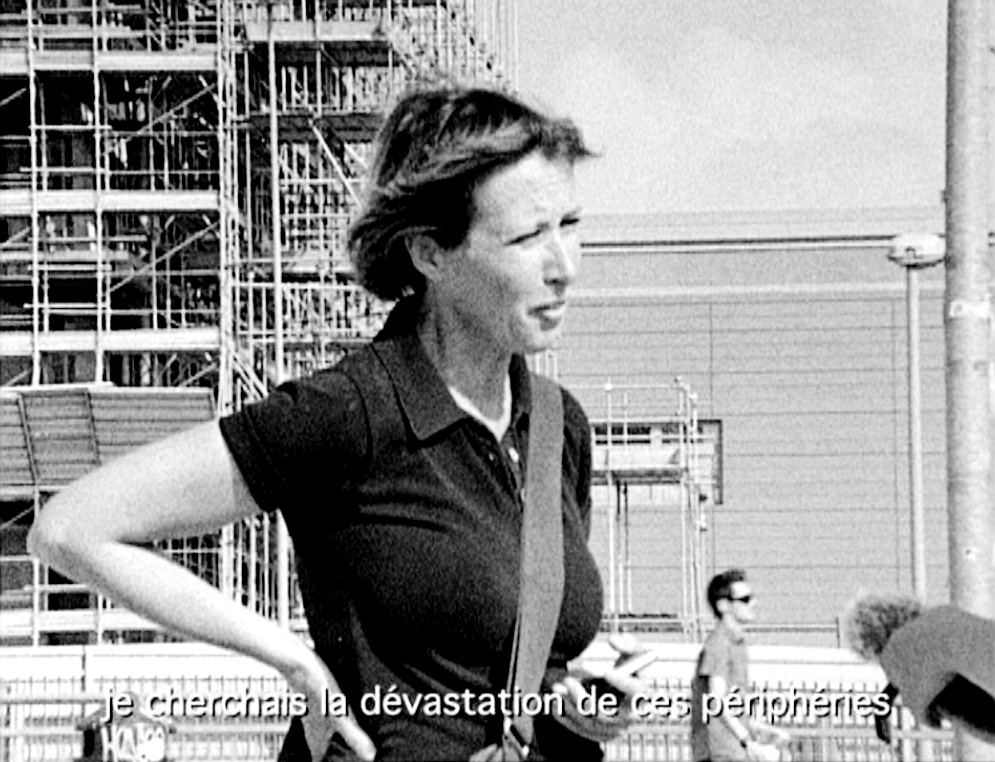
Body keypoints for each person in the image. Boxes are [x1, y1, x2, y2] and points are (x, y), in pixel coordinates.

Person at [27, 85, 647, 761]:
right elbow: (69, 530)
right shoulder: (350, 410)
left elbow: (505, 654)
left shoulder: (558, 425)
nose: (565, 267)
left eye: (569, 225)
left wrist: (574, 702)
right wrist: (296, 664)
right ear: (430, 254)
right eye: (527, 237)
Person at [842, 592, 995, 745]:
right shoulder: (942, 615)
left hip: (958, 695)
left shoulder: (898, 661)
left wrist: (881, 716)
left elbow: (900, 684)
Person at [690, 570, 789, 762]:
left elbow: (732, 710)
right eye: (745, 599)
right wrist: (748, 742)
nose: (753, 603)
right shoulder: (718, 644)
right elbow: (716, 701)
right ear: (723, 605)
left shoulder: (736, 644)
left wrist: (765, 730)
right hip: (718, 754)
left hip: (732, 753)